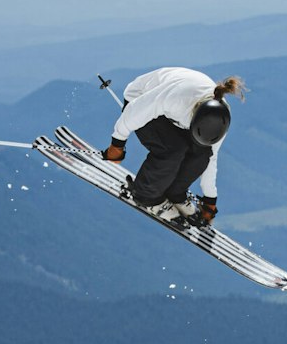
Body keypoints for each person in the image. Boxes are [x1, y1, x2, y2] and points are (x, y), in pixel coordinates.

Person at [102, 69, 247, 226]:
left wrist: (210, 200)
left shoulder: (220, 120)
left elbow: (210, 159)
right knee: (172, 149)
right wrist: (117, 145)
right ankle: (146, 195)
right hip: (140, 100)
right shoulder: (177, 98)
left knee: (202, 153)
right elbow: (134, 112)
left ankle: (175, 193)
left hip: (175, 119)